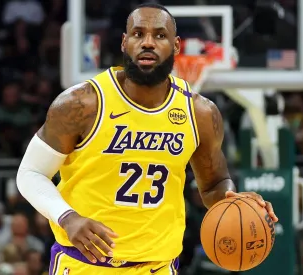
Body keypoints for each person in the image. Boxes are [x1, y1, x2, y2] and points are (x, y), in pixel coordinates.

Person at [16, 3, 278, 275]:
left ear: (176, 46)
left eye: (160, 35)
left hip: (158, 266)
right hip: (85, 264)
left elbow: (213, 184)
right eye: (138, 34)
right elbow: (30, 173)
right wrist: (67, 217)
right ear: (124, 42)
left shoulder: (200, 113)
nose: (148, 43)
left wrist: (236, 202)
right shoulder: (80, 104)